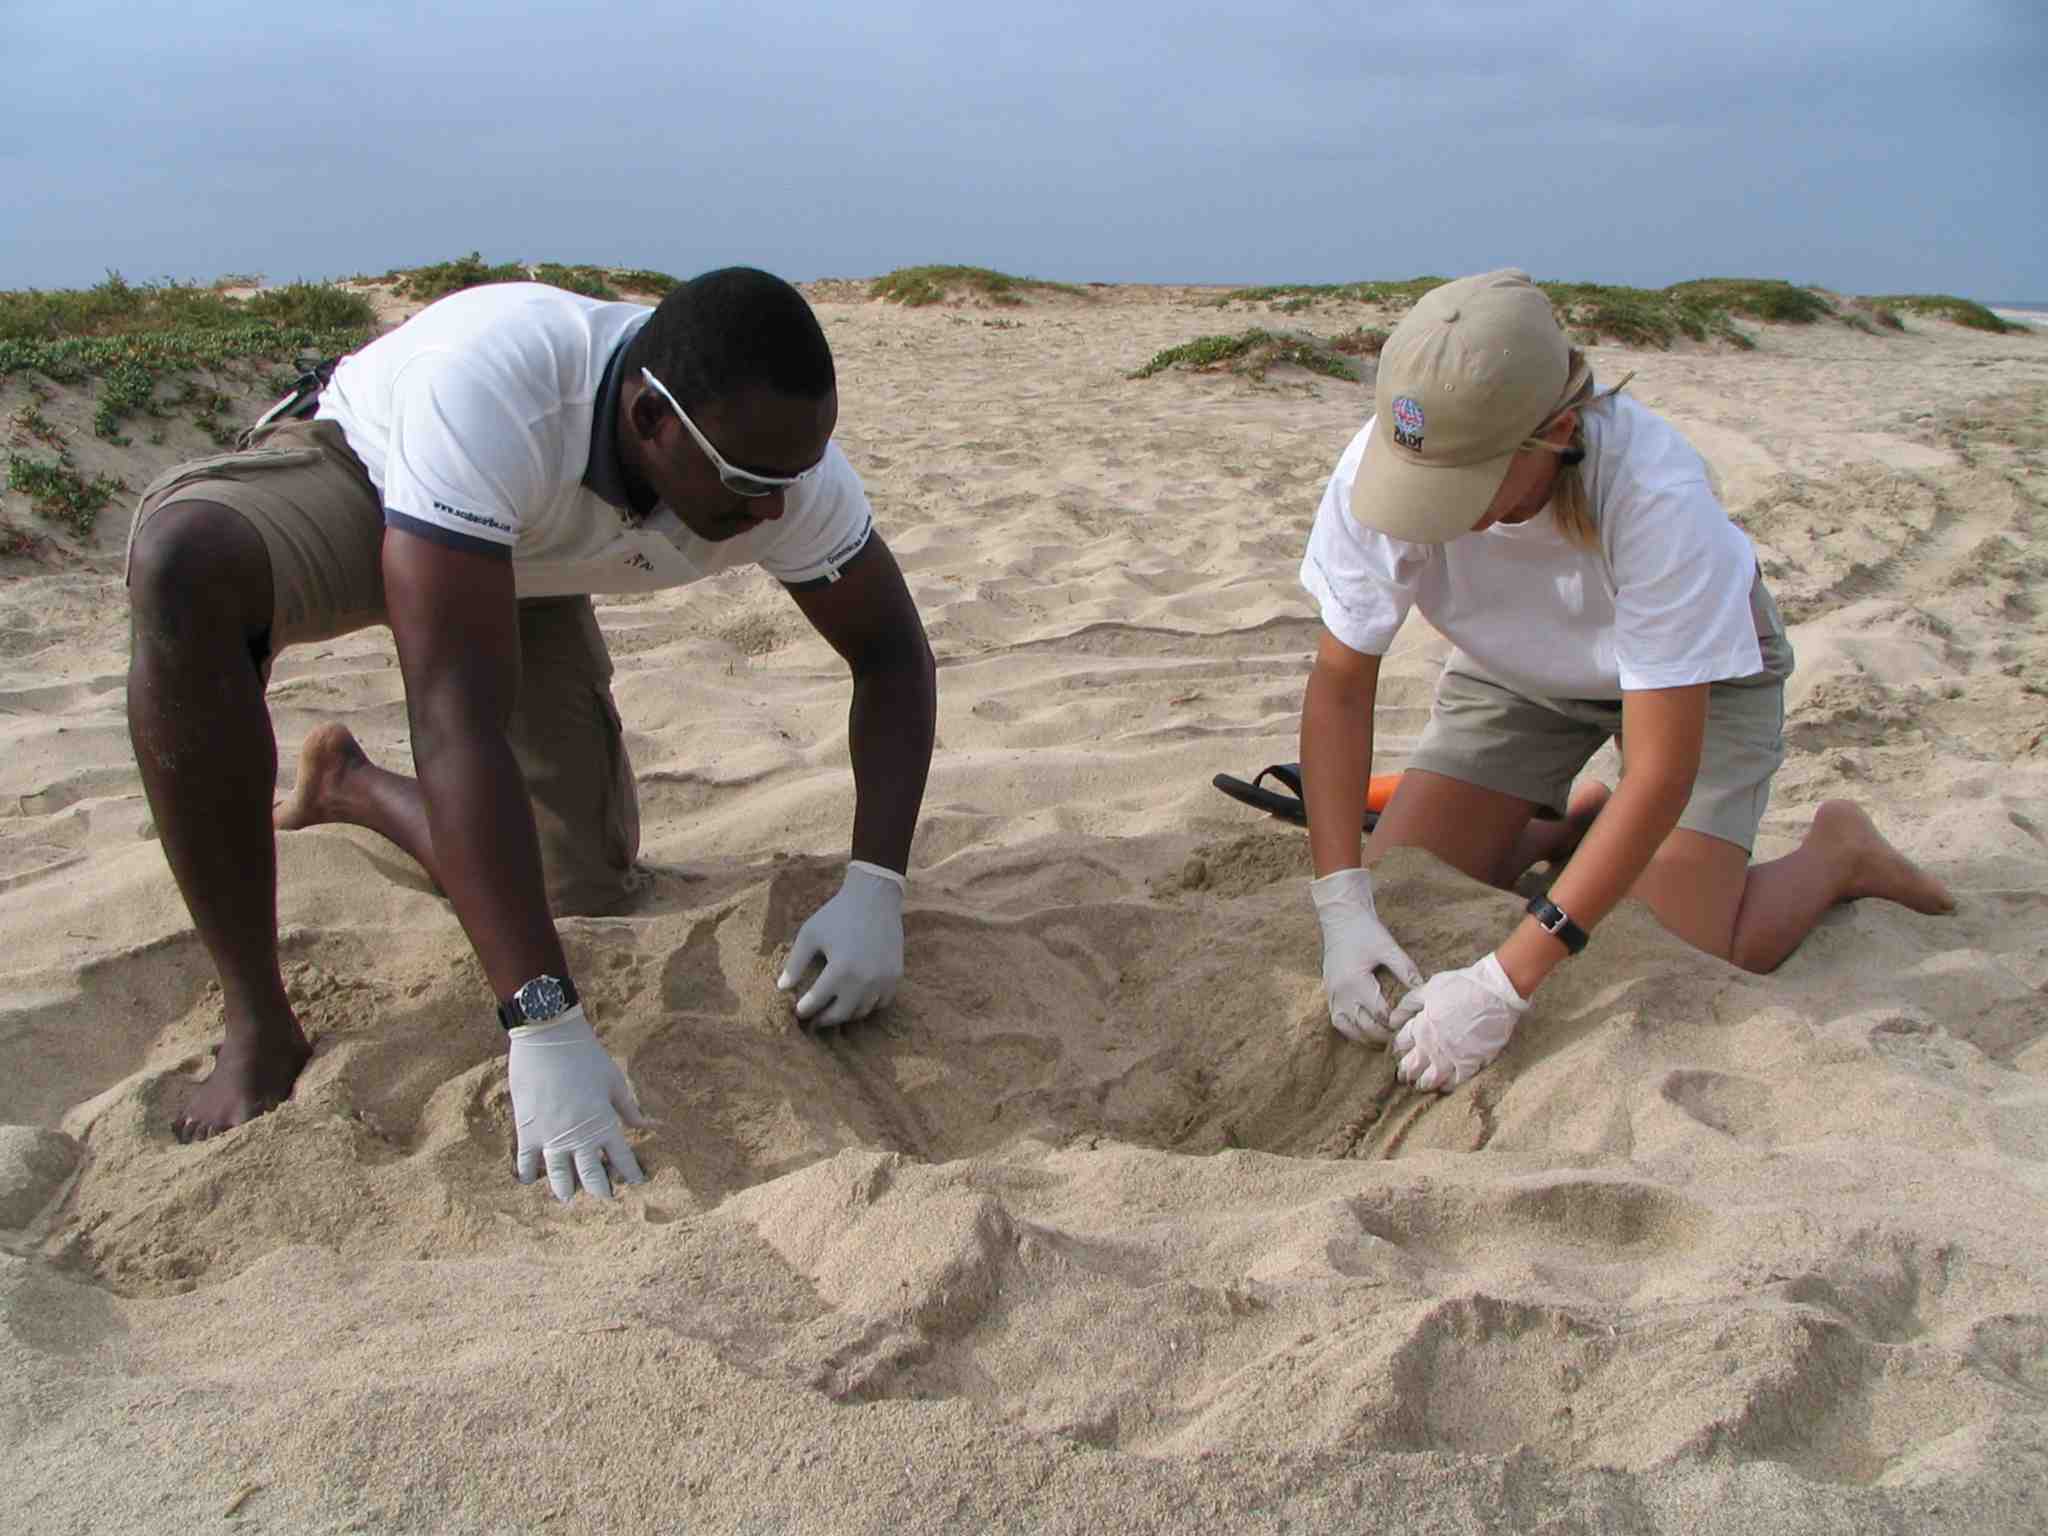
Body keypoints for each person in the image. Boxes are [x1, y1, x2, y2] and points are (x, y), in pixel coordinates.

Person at [124, 268, 936, 1197]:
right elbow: (453, 714)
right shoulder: (490, 390)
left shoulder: (772, 467)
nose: (775, 513)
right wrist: (544, 1024)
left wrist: (877, 886)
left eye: (794, 479)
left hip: (537, 551)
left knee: (571, 888)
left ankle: (348, 785)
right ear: (649, 422)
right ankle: (256, 1018)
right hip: (378, 474)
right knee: (184, 566)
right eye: (752, 485)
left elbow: (892, 657)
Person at [1297, 269, 1952, 1092]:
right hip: (1520, 677)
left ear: (1558, 430)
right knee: (1410, 886)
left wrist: (1504, 983)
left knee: (1676, 945)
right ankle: (1572, 825)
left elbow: (1661, 772)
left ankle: (1838, 852)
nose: (1432, 515)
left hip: (1702, 685)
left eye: (1463, 489)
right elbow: (1340, 685)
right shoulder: (1390, 460)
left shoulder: (1657, 498)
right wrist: (1341, 904)